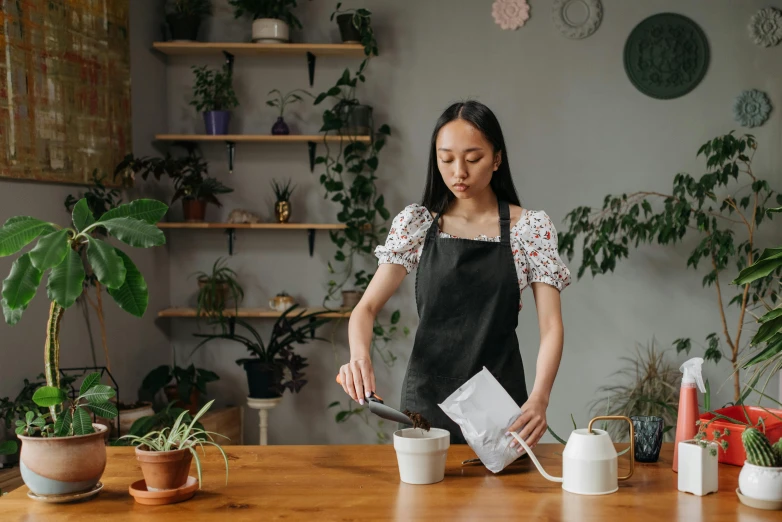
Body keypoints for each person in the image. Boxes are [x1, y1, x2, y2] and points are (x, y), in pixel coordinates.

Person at [338, 100, 571, 448]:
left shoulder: (530, 228)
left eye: (473, 158)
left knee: (503, 502)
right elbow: (366, 309)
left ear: (496, 158)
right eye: (446, 159)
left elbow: (551, 326)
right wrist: (359, 356)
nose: (458, 172)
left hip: (501, 407)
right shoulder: (417, 224)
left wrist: (540, 397)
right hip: (426, 402)